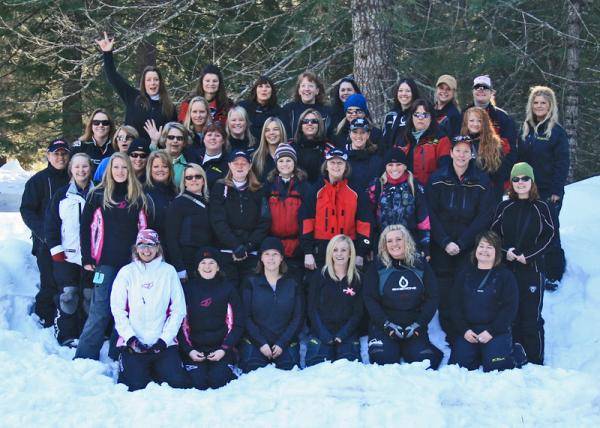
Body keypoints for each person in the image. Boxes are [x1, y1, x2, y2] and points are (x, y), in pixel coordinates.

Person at [75, 152, 154, 360]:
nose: (120, 171)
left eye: (124, 167)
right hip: (103, 264)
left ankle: (118, 352)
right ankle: (85, 354)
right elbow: (85, 228)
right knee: (99, 308)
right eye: (116, 167)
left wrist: (144, 258)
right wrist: (87, 258)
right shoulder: (97, 195)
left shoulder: (138, 196)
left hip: (131, 265)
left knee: (127, 310)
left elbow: (144, 229)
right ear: (109, 170)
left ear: (130, 170)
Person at [426, 137, 493, 343]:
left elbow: (484, 216)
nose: (462, 155)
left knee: (465, 286)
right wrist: (445, 241)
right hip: (442, 245)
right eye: (458, 150)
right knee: (444, 289)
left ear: (472, 154)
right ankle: (449, 330)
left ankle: (465, 329)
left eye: (466, 151)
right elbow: (430, 212)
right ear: (451, 153)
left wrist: (462, 243)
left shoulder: (481, 181)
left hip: (467, 245)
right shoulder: (438, 178)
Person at [491, 162, 554, 365]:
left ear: (532, 181)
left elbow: (550, 236)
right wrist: (505, 252)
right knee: (511, 314)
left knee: (531, 318)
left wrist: (529, 255)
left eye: (525, 178)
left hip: (532, 270)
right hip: (508, 270)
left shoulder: (542, 207)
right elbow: (493, 235)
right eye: (516, 179)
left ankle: (536, 360)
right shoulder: (504, 206)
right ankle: (515, 356)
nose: (520, 182)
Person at [110, 229, 189, 391]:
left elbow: (178, 309)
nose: (146, 250)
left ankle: (159, 367)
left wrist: (164, 340)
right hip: (134, 343)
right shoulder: (127, 272)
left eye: (151, 245)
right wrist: (131, 339)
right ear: (136, 248)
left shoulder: (168, 271)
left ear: (158, 247)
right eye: (142, 245)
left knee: (177, 383)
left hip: (162, 343)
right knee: (134, 386)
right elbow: (118, 309)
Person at [363, 224, 442, 369]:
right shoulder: (377, 266)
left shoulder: (420, 264)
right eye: (389, 241)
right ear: (384, 245)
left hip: (414, 327)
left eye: (398, 239)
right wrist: (386, 324)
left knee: (425, 362)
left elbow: (433, 297)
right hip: (384, 327)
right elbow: (369, 299)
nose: (394, 244)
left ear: (407, 241)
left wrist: (419, 323)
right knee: (383, 360)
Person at [450, 231, 525, 372]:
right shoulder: (465, 273)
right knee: (460, 366)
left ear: (496, 252)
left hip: (495, 330)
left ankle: (514, 350)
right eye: (481, 246)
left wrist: (492, 331)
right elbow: (455, 305)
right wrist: (464, 330)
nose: (484, 250)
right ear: (476, 249)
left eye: (489, 247)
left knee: (495, 366)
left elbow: (510, 308)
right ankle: (479, 353)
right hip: (469, 330)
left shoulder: (505, 276)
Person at [517, 86, 569, 290]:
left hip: (549, 191)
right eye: (536, 102)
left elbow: (562, 163)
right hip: (528, 189)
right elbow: (520, 160)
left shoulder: (557, 132)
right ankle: (534, 267)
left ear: (550, 106)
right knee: (530, 230)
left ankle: (554, 272)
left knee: (549, 231)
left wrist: (556, 191)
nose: (539, 106)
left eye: (543, 103)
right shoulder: (526, 129)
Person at [44, 153, 95, 347]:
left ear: (90, 168)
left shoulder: (99, 193)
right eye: (77, 167)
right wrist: (56, 250)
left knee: (89, 296)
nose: (81, 170)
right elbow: (51, 224)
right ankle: (66, 333)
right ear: (71, 170)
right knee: (69, 294)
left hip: (92, 257)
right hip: (67, 255)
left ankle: (88, 334)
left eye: (85, 166)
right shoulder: (62, 195)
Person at [20, 139, 70, 327]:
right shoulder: (37, 181)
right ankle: (44, 317)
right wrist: (44, 234)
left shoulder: (74, 177)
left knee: (67, 283)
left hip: (71, 242)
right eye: (56, 153)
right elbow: (27, 210)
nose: (60, 157)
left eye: (64, 153)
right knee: (49, 281)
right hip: (46, 243)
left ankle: (65, 318)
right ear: (48, 156)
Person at [178, 247, 243, 390]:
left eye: (212, 262)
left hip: (221, 348)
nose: (207, 267)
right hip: (195, 349)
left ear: (218, 266)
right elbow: (178, 324)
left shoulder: (228, 289)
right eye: (203, 263)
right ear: (197, 266)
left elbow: (238, 324)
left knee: (217, 381)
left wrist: (224, 349)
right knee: (198, 383)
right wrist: (189, 350)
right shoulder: (187, 290)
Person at [95, 32, 177, 141]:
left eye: (156, 80)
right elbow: (113, 77)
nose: (152, 83)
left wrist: (159, 140)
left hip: (157, 154)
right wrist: (107, 53)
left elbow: (174, 136)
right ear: (143, 83)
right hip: (131, 153)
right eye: (148, 80)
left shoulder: (169, 107)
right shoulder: (133, 97)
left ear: (160, 82)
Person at [300, 148, 372, 271]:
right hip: (321, 249)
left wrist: (361, 253)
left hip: (348, 249)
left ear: (346, 167)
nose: (336, 166)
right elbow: (306, 221)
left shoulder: (356, 192)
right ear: (326, 166)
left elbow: (364, 224)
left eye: (340, 163)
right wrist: (308, 252)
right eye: (332, 162)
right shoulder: (315, 191)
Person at [240, 237, 303, 372]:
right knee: (254, 378)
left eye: (275, 254)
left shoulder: (293, 282)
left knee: (289, 378)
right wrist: (261, 343)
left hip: (285, 342)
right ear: (261, 258)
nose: (271, 258)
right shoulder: (250, 282)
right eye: (267, 254)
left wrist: (282, 342)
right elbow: (246, 316)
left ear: (281, 258)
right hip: (257, 343)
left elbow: (298, 317)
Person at [209, 150, 271, 286]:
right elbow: (217, 220)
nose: (240, 166)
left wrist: (248, 246)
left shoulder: (258, 190)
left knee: (249, 291)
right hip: (226, 251)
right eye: (236, 163)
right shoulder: (219, 187)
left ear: (249, 166)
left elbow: (264, 221)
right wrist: (235, 245)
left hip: (251, 252)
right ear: (230, 165)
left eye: (244, 163)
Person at [305, 235, 363, 366]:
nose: (339, 254)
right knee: (317, 371)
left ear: (350, 254)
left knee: (348, 371)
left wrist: (342, 334)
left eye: (344, 250)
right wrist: (323, 334)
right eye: (335, 250)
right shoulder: (319, 276)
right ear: (330, 253)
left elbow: (358, 312)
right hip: (321, 332)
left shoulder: (358, 279)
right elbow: (312, 309)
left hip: (347, 334)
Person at [366, 148, 430, 258]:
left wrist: (425, 247)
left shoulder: (414, 186)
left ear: (405, 166)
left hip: (409, 243)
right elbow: (368, 218)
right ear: (385, 166)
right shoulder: (377, 185)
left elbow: (423, 219)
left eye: (398, 164)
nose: (394, 168)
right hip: (383, 243)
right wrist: (368, 247)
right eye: (390, 164)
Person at [264, 144, 311, 283]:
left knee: (295, 284)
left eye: (289, 160)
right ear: (276, 163)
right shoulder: (268, 185)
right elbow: (263, 217)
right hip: (274, 245)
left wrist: (306, 247)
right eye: (281, 161)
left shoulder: (304, 186)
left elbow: (308, 219)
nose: (285, 164)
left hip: (297, 246)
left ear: (294, 163)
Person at [165, 164, 212, 281]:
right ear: (184, 182)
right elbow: (171, 238)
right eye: (189, 177)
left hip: (207, 262)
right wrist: (180, 268)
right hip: (187, 262)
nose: (193, 180)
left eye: (197, 176)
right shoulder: (178, 204)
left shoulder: (210, 203)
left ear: (203, 180)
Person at [391, 99, 452, 185]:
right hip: (404, 190)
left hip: (430, 191)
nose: (420, 118)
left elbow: (445, 170)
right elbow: (392, 165)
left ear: (431, 117)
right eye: (416, 114)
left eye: (425, 115)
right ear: (411, 117)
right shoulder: (402, 138)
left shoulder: (441, 139)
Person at [460, 107, 514, 202]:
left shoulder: (494, 143)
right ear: (466, 122)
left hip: (489, 195)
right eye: (471, 120)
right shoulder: (460, 142)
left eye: (479, 121)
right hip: (466, 195)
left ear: (484, 123)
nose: (475, 124)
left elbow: (499, 175)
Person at [466, 75, 517, 155]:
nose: (480, 90)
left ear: (492, 92)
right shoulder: (463, 114)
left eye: (485, 87)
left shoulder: (503, 117)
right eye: (477, 87)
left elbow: (510, 149)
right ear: (473, 92)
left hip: (494, 165)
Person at [281, 71, 331, 137]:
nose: (306, 89)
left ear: (317, 91)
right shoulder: (289, 110)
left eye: (310, 86)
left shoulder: (327, 112)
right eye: (303, 86)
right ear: (299, 90)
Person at [144, 150, 177, 244]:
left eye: (165, 166)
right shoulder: (143, 193)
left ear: (170, 169)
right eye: (156, 166)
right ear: (150, 169)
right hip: (151, 247)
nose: (160, 170)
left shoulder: (176, 192)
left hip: (172, 245)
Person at [238, 75, 283, 141]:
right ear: (255, 90)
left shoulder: (278, 111)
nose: (264, 89)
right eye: (260, 86)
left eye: (267, 87)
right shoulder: (243, 107)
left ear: (272, 91)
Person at [344, 117, 383, 193]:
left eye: (362, 132)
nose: (358, 136)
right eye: (355, 132)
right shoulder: (341, 158)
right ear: (350, 133)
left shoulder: (376, 160)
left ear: (368, 135)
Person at [292, 108, 331, 183]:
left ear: (319, 124)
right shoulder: (291, 147)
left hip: (320, 191)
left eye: (314, 121)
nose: (310, 123)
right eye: (305, 121)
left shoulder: (328, 149)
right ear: (300, 125)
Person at [382, 78, 421, 152]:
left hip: (412, 158)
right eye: (400, 91)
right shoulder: (390, 115)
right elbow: (384, 141)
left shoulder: (418, 115)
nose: (404, 94)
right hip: (392, 160)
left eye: (408, 91)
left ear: (413, 93)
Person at [71, 108, 116, 173]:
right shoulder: (80, 146)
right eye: (96, 122)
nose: (101, 125)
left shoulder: (117, 146)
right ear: (91, 125)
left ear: (110, 126)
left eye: (105, 123)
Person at [251, 117, 288, 182]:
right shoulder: (255, 158)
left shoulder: (291, 156)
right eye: (267, 130)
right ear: (264, 134)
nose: (271, 133)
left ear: (282, 131)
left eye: (275, 129)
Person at [194, 123, 229, 190]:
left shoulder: (228, 162)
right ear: (204, 139)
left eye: (217, 135)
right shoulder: (194, 155)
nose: (213, 138)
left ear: (223, 141)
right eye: (209, 135)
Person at [433, 75, 461, 139]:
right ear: (437, 89)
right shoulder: (430, 109)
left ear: (453, 92)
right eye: (441, 88)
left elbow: (455, 140)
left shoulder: (454, 115)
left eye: (448, 89)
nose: (444, 91)